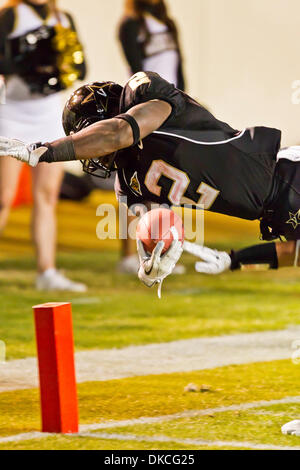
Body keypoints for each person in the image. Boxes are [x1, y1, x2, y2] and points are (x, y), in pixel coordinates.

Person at [1, 71, 300, 293]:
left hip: (286, 172)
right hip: (275, 212)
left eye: (85, 137)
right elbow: (155, 229)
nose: (91, 154)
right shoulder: (129, 182)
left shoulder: (147, 97)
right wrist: (156, 259)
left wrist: (46, 151)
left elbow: (119, 133)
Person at [0, 0, 87, 291]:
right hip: (12, 114)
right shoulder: (10, 14)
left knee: (47, 195)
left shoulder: (63, 18)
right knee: (3, 197)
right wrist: (29, 57)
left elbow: (80, 66)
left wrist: (59, 62)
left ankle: (46, 272)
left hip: (48, 117)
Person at [118, 0, 185, 274]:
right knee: (134, 183)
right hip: (145, 108)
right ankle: (127, 255)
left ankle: (163, 247)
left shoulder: (168, 23)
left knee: (164, 183)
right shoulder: (131, 24)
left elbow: (180, 67)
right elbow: (136, 70)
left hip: (171, 109)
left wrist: (184, 103)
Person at [119, 0, 185, 90]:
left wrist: (182, 92)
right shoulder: (131, 24)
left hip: (172, 90)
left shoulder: (168, 23)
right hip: (149, 91)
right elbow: (134, 65)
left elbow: (178, 61)